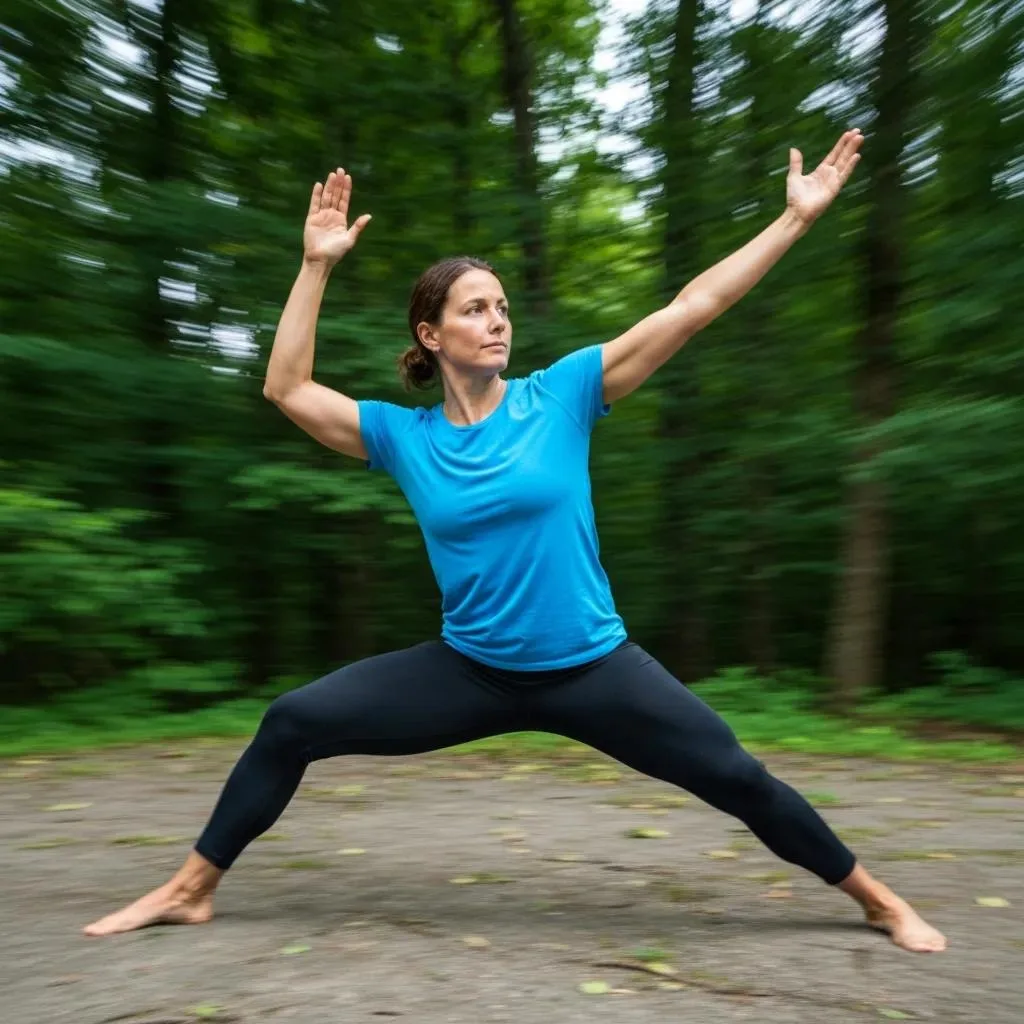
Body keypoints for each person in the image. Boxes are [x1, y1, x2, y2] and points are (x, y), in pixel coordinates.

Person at [84, 129, 946, 953]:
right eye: (474, 309)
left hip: (592, 667)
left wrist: (794, 219)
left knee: (737, 777)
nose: (497, 320)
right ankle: (190, 888)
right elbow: (287, 388)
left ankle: (878, 900)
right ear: (431, 336)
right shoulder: (403, 437)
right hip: (473, 672)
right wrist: (315, 265)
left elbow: (693, 306)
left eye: (501, 306)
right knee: (292, 721)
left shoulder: (562, 395)